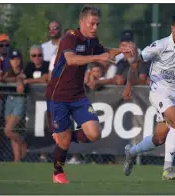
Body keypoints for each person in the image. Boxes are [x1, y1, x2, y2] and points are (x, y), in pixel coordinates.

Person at [45, 5, 134, 184]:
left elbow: (105, 53)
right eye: (92, 24)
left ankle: (65, 136)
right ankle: (58, 172)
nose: (95, 28)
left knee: (94, 134)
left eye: (97, 24)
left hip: (78, 96)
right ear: (82, 22)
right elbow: (71, 60)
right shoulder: (70, 38)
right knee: (63, 141)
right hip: (58, 96)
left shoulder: (91, 41)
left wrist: (122, 51)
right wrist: (96, 58)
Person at [122, 11, 175, 180]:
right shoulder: (160, 45)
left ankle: (131, 152)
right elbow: (136, 62)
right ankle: (167, 169)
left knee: (159, 138)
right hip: (159, 92)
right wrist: (128, 85)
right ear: (173, 28)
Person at [1, 50, 27, 162]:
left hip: (19, 100)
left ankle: (23, 143)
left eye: (17, 59)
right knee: (12, 130)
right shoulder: (8, 72)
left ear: (20, 60)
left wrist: (18, 79)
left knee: (8, 130)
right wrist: (15, 79)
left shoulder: (24, 70)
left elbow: (22, 77)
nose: (15, 61)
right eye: (12, 59)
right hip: (9, 100)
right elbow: (3, 78)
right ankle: (17, 159)